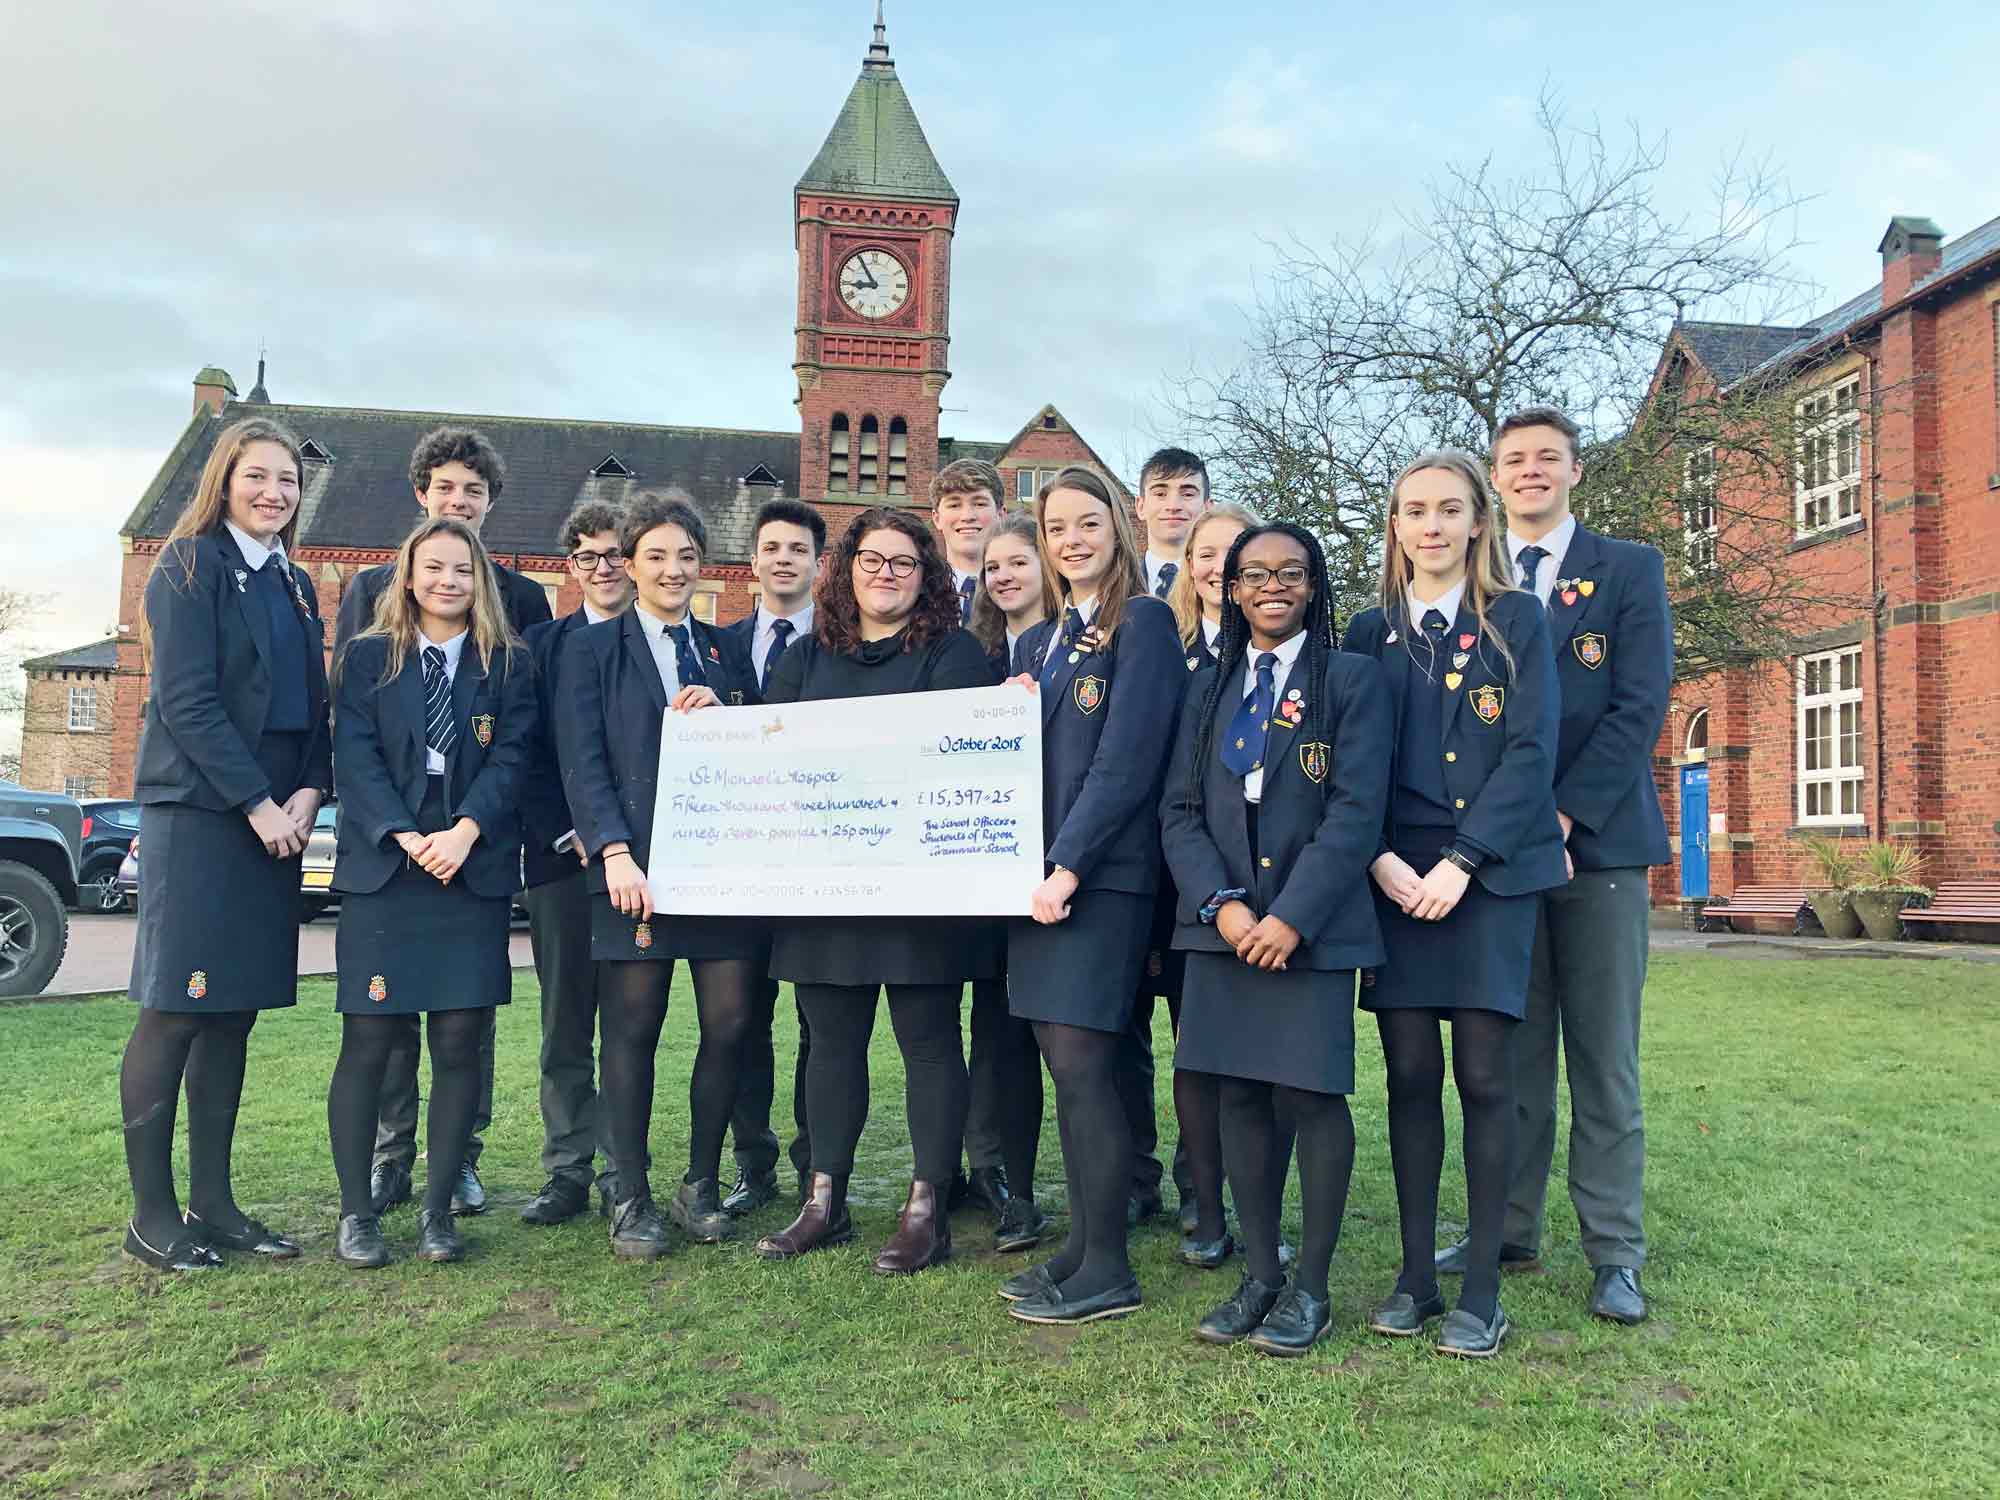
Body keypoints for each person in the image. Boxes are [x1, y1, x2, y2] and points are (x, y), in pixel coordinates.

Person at [1431, 408, 1671, 1326]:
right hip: (1502, 860)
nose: (1529, 472)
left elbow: (1639, 706)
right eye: (1513, 460)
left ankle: (1615, 1252)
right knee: (1512, 1055)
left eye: (1546, 459)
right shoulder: (1474, 589)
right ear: (1495, 477)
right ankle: (1509, 1230)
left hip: (1599, 848)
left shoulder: (1629, 569)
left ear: (1574, 470)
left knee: (1603, 1058)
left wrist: (1562, 813)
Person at [1340, 450, 1565, 1357]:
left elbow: (1530, 751)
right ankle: (1414, 1277)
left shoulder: (1518, 621)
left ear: (1480, 521)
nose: (1430, 526)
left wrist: (1464, 862)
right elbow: (1343, 764)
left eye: (1448, 509)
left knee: (1483, 1077)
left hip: (1487, 881)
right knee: (1407, 1079)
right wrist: (1381, 863)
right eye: (1412, 510)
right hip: (1394, 882)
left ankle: (1480, 1287)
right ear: (1394, 526)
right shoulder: (1366, 631)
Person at [1161, 523, 1391, 1354]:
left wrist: (1292, 915)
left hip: (1313, 931)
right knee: (1238, 1101)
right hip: (1223, 932)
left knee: (1310, 1097)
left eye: (1290, 572)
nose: (1270, 585)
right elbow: (1180, 813)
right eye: (1252, 573)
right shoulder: (1207, 688)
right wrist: (1222, 908)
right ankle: (1260, 1275)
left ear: (1314, 584)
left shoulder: (1353, 682)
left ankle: (1313, 1290)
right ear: (1229, 587)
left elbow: (1357, 812)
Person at [753, 509, 999, 1274]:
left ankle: (927, 1209)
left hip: (919, 891)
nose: (886, 574)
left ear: (925, 576)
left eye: (904, 563)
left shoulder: (955, 655)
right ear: (846, 569)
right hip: (825, 888)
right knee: (830, 1044)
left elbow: (960, 761)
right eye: (872, 560)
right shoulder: (804, 656)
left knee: (928, 1043)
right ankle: (824, 1201)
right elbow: (770, 756)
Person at [119, 417, 331, 1271]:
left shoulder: (296, 582)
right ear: (225, 479)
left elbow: (316, 704)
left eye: (287, 480)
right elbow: (188, 701)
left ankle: (215, 1203)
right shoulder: (187, 565)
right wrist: (256, 802)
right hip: (207, 817)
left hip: (279, 821)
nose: (274, 492)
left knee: (232, 1014)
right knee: (176, 1010)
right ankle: (152, 1215)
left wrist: (311, 790)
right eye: (258, 476)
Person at [331, 426, 552, 1220]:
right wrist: (397, 828)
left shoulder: (520, 607)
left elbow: (521, 737)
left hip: (473, 837)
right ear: (422, 496)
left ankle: (457, 1160)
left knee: (465, 1027)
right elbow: (352, 732)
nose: (459, 503)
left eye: (474, 493)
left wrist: (468, 829)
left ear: (491, 506)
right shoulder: (371, 606)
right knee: (381, 1028)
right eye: (447, 490)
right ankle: (392, 1157)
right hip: (393, 840)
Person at [557, 493, 763, 1259]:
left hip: (719, 875)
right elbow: (582, 761)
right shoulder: (591, 649)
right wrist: (613, 851)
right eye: (657, 557)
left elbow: (762, 749)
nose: (673, 570)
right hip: (632, 873)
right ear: (630, 566)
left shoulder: (726, 652)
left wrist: (732, 713)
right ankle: (630, 1193)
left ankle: (700, 1182)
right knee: (633, 1030)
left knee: (732, 1023)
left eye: (686, 557)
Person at [1000, 466, 1185, 1325]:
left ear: (1118, 525)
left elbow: (1128, 761)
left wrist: (1068, 865)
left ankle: (1109, 1266)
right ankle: (1080, 1245)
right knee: (1065, 1068)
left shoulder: (1142, 623)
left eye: (1087, 523)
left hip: (1097, 881)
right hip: (1037, 884)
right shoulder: (1040, 644)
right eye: (1057, 528)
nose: (1072, 540)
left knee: (1085, 1068)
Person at [1156, 500, 1266, 1265]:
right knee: (1189, 1045)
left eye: (1233, 553)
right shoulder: (1163, 649)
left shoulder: (1286, 649)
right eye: (1205, 553)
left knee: (1246, 1051)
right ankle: (1198, 1188)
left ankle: (1246, 1192)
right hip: (1171, 875)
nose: (1217, 567)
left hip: (1258, 884)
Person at [517, 501, 632, 1227]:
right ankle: (567, 1169)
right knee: (565, 1022)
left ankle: (624, 1168)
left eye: (616, 554)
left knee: (627, 1023)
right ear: (571, 567)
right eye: (588, 557)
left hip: (635, 871)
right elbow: (526, 755)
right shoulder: (540, 647)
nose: (603, 568)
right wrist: (573, 831)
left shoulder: (657, 641)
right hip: (562, 862)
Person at [925, 457, 1027, 1229]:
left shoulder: (1027, 606)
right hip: (931, 839)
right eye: (953, 504)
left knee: (997, 1017)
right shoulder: (920, 601)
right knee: (930, 1013)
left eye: (980, 503)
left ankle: (992, 1165)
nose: (968, 515)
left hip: (1007, 839)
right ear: (938, 518)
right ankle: (937, 1163)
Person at [720, 498, 825, 1218]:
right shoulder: (715, 647)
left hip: (820, 868)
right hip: (737, 868)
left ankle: (818, 1161)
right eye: (772, 547)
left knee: (822, 1023)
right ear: (753, 560)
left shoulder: (844, 649)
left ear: (820, 564)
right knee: (741, 1020)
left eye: (798, 548)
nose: (784, 558)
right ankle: (751, 1162)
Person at [1121, 447, 1216, 1230]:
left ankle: (1200, 1179)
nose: (1177, 504)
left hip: (1202, 856)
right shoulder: (1123, 600)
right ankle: (1132, 1173)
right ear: (1140, 504)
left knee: (1199, 1024)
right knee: (1121, 1024)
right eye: (1164, 492)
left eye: (1192, 493)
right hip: (1129, 853)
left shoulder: (1240, 601)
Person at [961, 512, 1059, 1251]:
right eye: (993, 566)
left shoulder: (1079, 645)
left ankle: (1121, 1180)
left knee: (1067, 1041)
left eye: (1018, 560)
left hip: (1059, 875)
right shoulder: (976, 656)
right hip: (982, 879)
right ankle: (1004, 1183)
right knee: (996, 1035)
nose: (1004, 575)